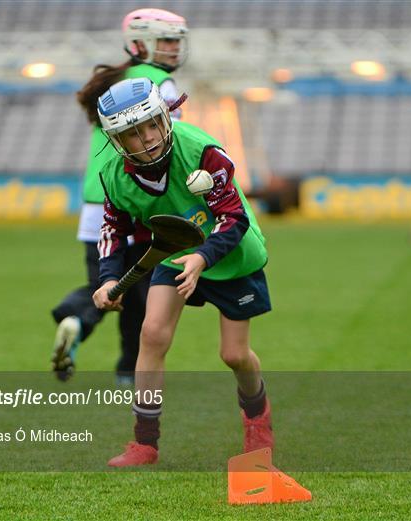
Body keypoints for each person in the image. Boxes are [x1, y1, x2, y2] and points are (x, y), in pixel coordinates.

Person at [92, 77, 274, 466]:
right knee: (152, 334)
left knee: (234, 354)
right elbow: (112, 229)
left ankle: (258, 421)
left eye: (152, 125)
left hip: (231, 254)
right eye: (133, 133)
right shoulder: (112, 174)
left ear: (164, 117)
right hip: (174, 249)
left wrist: (204, 256)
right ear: (117, 140)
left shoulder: (204, 151)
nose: (148, 139)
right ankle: (144, 443)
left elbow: (234, 217)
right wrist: (108, 277)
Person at [50, 8, 189, 383]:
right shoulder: (159, 82)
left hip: (96, 202)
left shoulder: (113, 79)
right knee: (141, 288)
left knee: (106, 285)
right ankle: (129, 371)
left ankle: (76, 319)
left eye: (177, 41)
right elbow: (170, 146)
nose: (174, 49)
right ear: (139, 43)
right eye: (166, 41)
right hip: (132, 197)